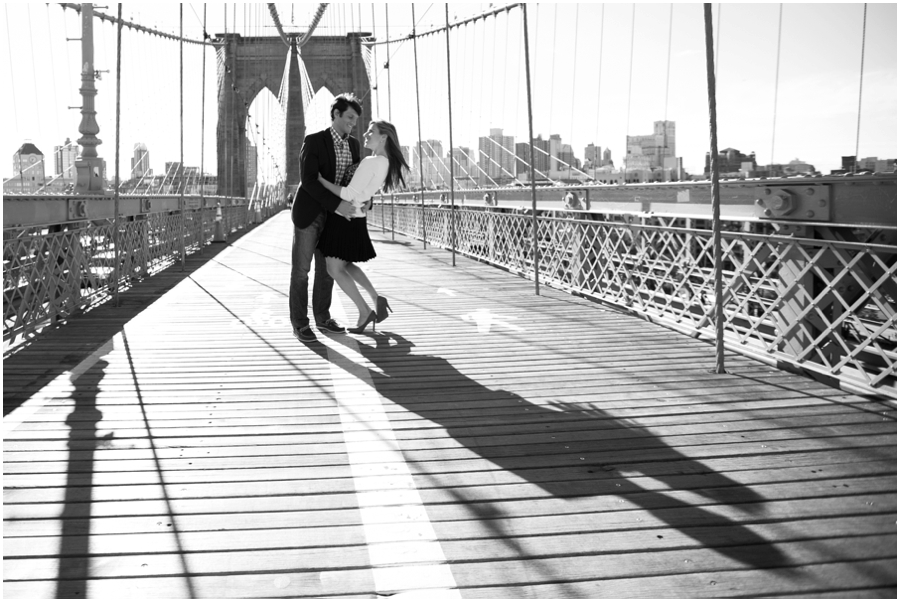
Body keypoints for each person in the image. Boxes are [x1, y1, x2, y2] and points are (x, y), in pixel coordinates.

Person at [316, 120, 409, 334]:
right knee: (346, 264)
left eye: (371, 131)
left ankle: (365, 311)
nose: (366, 134)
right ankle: (376, 299)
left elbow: (348, 194)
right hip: (357, 218)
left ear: (383, 137)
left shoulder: (370, 161)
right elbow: (365, 191)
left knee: (334, 268)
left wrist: (321, 181)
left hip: (344, 217)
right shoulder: (384, 163)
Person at [289, 93, 362, 343]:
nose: (353, 123)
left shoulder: (354, 145)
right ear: (336, 115)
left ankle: (323, 317)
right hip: (310, 215)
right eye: (350, 117)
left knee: (326, 271)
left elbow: (355, 181)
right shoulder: (314, 141)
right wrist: (338, 204)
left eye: (356, 119)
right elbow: (309, 181)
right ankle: (299, 323)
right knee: (301, 270)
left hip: (335, 217)